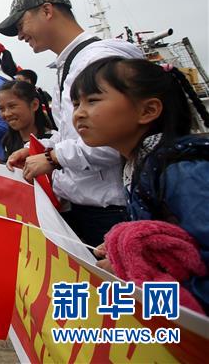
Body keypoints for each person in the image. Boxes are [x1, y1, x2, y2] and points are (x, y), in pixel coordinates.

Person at [0, 0, 143, 247]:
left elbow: (114, 140)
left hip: (111, 212)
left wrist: (52, 158)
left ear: (47, 10)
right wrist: (38, 150)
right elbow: (74, 135)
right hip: (87, 208)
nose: (19, 35)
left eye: (21, 24)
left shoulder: (97, 60)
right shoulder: (72, 64)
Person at [68, 57, 209, 308]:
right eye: (76, 103)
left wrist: (133, 271)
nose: (79, 113)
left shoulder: (183, 172)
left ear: (148, 111)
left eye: (93, 100)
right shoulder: (139, 164)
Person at [0, 81, 53, 161]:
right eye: (1, 109)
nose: (6, 114)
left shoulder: (52, 141)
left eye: (12, 106)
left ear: (34, 105)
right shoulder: (8, 140)